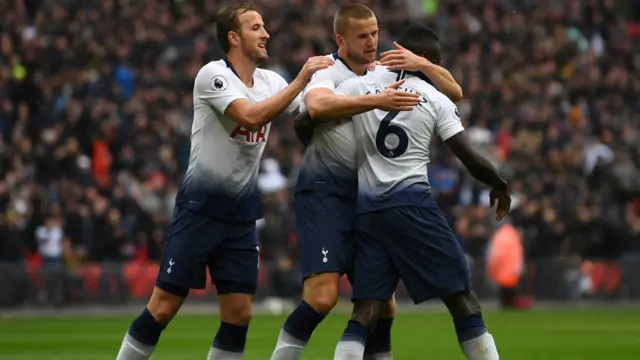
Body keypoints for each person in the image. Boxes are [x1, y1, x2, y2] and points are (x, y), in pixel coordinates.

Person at [115, 4, 333, 360]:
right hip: (200, 209)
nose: (266, 33)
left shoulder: (270, 81)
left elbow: (310, 110)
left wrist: (354, 93)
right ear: (234, 37)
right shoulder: (213, 76)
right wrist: (302, 79)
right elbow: (248, 117)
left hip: (241, 215)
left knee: (239, 313)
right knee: (165, 305)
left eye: (264, 26)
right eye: (256, 27)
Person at [271, 4, 464, 360]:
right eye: (363, 36)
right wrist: (374, 100)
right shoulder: (326, 70)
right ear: (340, 40)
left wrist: (423, 64)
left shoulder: (381, 71)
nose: (372, 41)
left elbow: (452, 93)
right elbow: (315, 106)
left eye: (375, 33)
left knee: (382, 305)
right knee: (322, 298)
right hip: (325, 193)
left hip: (366, 198)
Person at [331, 25, 511, 360]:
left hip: (368, 213)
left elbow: (315, 116)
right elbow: (470, 157)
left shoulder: (356, 87)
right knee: (462, 298)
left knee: (366, 311)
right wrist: (499, 183)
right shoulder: (434, 99)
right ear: (423, 61)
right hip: (412, 207)